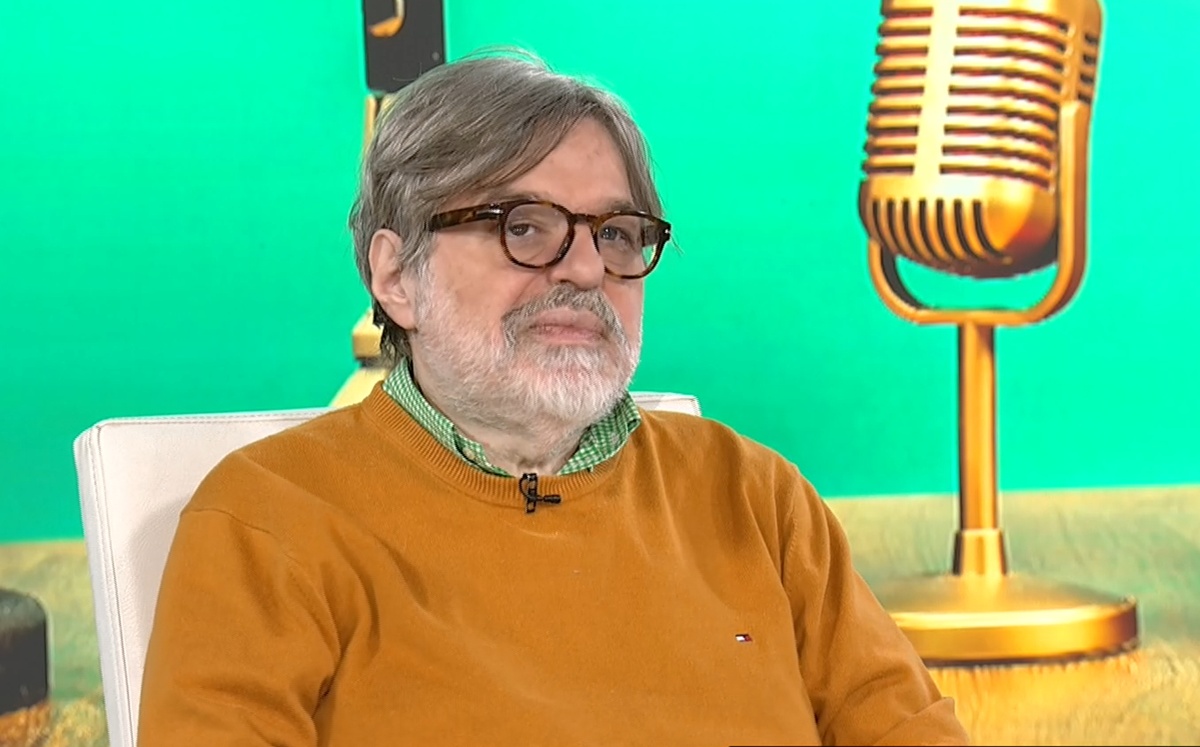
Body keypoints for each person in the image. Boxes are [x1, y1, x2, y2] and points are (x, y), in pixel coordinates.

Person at [138, 48, 971, 746]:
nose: (584, 268)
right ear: (396, 276)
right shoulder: (268, 520)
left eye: (616, 234)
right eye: (525, 226)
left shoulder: (757, 500)